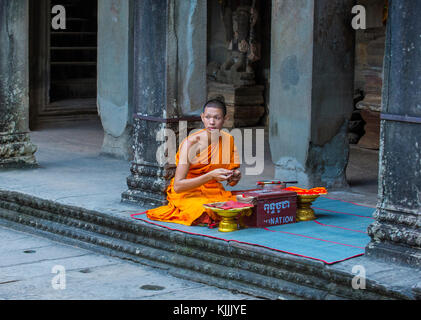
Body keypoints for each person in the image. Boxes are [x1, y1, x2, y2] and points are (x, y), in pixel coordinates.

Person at [146, 99, 242, 226]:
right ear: (202, 118)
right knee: (202, 210)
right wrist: (210, 176)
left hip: (213, 190)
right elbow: (178, 186)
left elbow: (231, 181)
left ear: (225, 118)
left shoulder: (227, 139)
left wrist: (234, 176)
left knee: (240, 205)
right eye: (208, 117)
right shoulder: (190, 144)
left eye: (217, 118)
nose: (211, 122)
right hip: (188, 192)